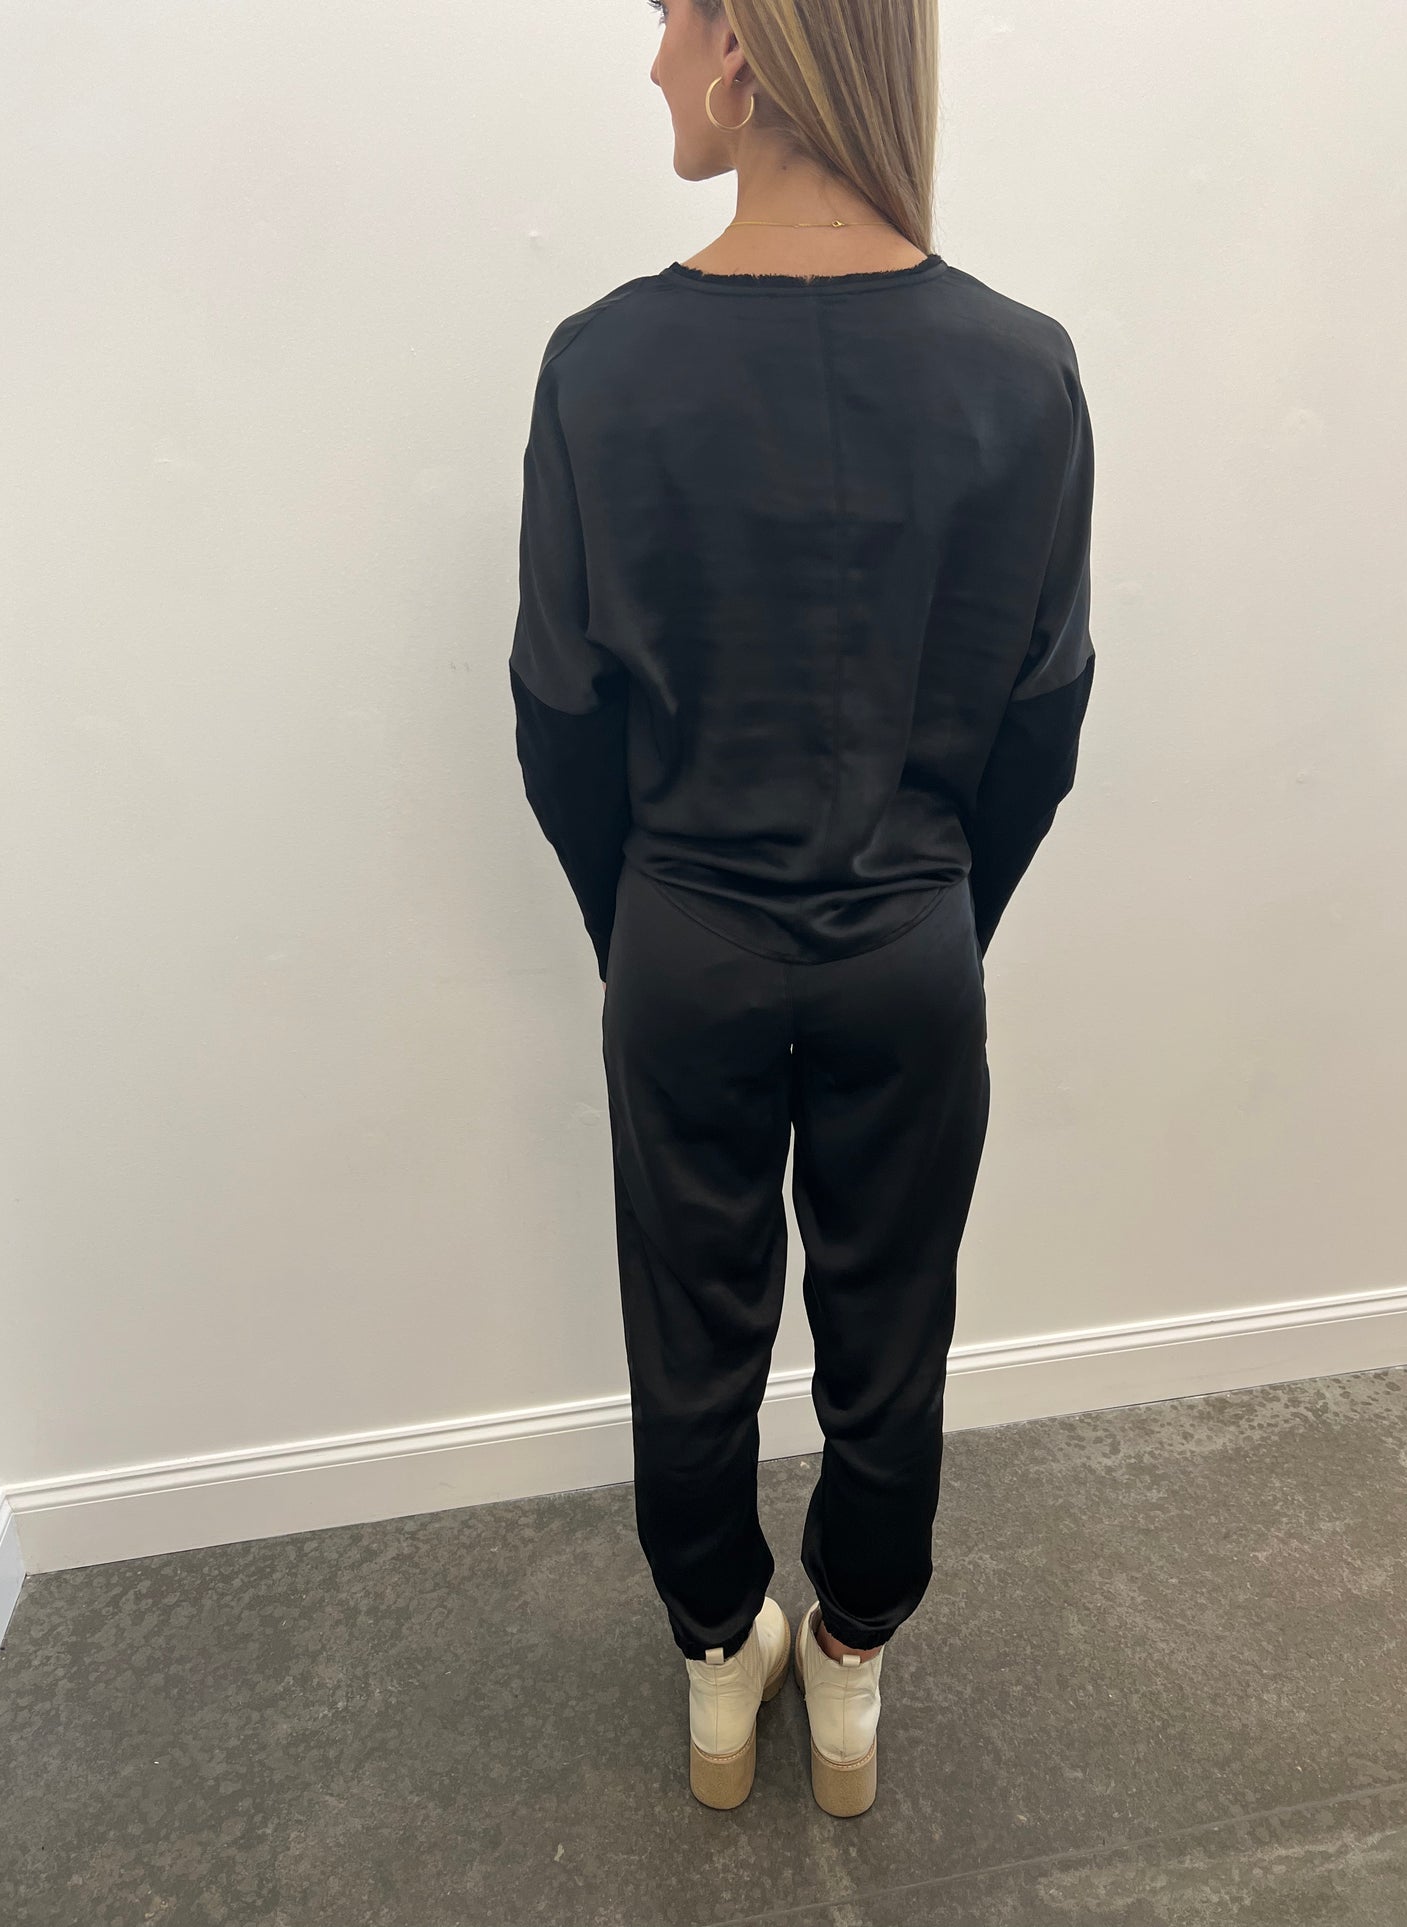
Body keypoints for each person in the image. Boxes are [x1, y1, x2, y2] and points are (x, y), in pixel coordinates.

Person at [508, 0, 1094, 1818]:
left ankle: (717, 1659)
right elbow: (1040, 714)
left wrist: (643, 925)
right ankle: (847, 1661)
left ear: (747, 47)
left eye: (666, 18)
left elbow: (557, 709)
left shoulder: (602, 366)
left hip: (685, 925)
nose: (652, 64)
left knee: (688, 1326)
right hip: (905, 935)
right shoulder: (1021, 368)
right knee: (889, 1322)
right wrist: (938, 915)